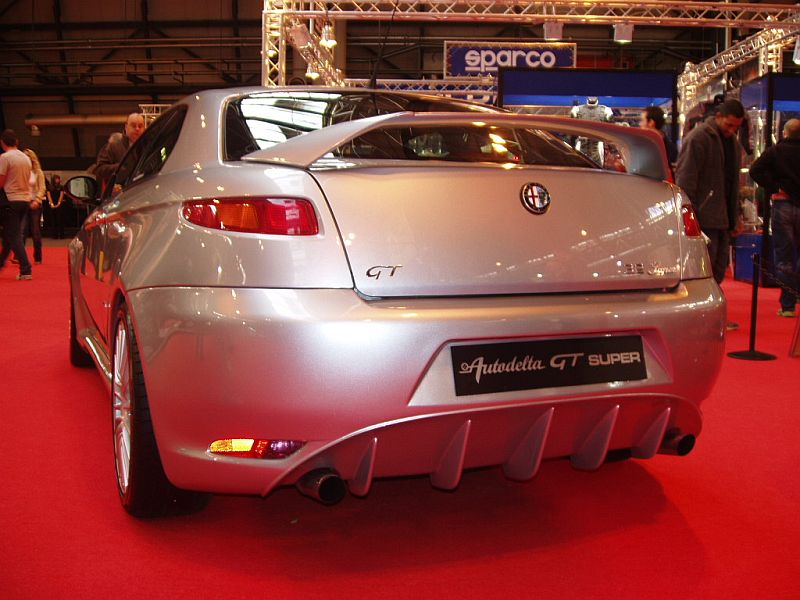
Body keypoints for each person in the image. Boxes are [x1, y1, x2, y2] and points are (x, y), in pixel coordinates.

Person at [675, 99, 745, 287]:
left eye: (736, 127)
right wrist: (690, 217)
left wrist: (736, 215)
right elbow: (685, 180)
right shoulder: (698, 138)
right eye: (729, 125)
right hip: (704, 218)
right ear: (718, 117)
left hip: (724, 219)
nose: (732, 130)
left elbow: (733, 183)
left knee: (719, 269)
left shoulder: (734, 145)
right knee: (704, 271)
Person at [749, 118, 800, 318]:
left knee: (784, 257)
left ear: (785, 133)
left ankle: (788, 305)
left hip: (783, 204)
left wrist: (774, 186)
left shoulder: (776, 151)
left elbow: (755, 171)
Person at [0, 129, 33, 279]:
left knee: (13, 235)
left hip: (10, 200)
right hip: (25, 199)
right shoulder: (26, 158)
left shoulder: (5, 157)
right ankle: (1, 263)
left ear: (2, 143)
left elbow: (1, 180)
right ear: (17, 142)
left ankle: (26, 268)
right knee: (9, 234)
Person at [93, 113, 145, 194]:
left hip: (143, 193)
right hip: (119, 196)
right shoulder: (113, 145)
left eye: (140, 126)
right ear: (126, 127)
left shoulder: (149, 145)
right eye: (133, 125)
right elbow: (99, 169)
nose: (137, 129)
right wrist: (120, 167)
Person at [23, 149, 45, 264]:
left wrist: (37, 200)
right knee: (22, 229)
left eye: (27, 157)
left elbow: (42, 188)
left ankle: (38, 257)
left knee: (35, 231)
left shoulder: (38, 172)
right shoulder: (22, 171)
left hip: (36, 203)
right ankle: (19, 256)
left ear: (32, 159)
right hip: (24, 202)